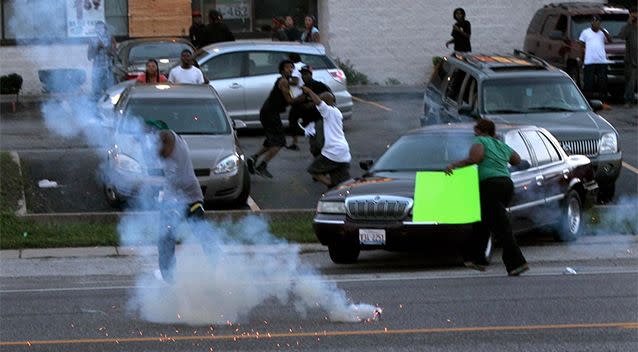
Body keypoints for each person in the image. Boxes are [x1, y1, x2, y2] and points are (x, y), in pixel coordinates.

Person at [445, 119, 529, 276]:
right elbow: (517, 160)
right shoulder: (500, 144)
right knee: (482, 221)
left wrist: (454, 165)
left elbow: (475, 159)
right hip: (506, 185)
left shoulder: (480, 140)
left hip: (490, 186)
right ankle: (476, 259)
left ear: (480, 131)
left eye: (475, 130)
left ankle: (517, 263)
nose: (473, 133)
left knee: (502, 226)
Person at [145, 120, 205, 283]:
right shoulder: (177, 140)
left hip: (180, 201)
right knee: (202, 234)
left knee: (165, 240)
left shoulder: (169, 152)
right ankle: (218, 266)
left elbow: (171, 183)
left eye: (155, 138)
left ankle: (169, 278)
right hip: (189, 198)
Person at [246, 60, 295, 178]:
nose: (290, 69)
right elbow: (289, 100)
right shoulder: (283, 81)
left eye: (291, 67)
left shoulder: (285, 81)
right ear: (282, 70)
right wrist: (303, 98)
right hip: (270, 114)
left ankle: (253, 158)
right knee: (279, 142)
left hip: (269, 113)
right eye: (287, 67)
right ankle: (262, 165)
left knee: (271, 141)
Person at [301, 85, 351, 188]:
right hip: (342, 151)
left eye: (322, 100)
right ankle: (340, 189)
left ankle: (332, 187)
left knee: (313, 170)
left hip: (333, 151)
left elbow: (318, 102)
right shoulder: (336, 112)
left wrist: (309, 91)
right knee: (342, 182)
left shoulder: (329, 112)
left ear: (327, 102)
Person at [299, 65, 332, 157]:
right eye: (302, 74)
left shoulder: (319, 85)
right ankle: (318, 161)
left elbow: (330, 98)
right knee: (313, 147)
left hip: (319, 118)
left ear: (310, 74)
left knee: (320, 143)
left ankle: (324, 163)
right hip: (309, 121)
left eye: (306, 74)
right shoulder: (302, 88)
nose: (304, 76)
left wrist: (314, 103)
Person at [578, 15, 613, 103]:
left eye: (597, 21)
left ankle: (603, 102)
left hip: (602, 61)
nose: (595, 23)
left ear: (600, 23)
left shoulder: (603, 32)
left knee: (603, 83)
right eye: (594, 21)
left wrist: (603, 31)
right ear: (591, 22)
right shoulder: (585, 32)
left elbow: (610, 40)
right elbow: (581, 46)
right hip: (589, 61)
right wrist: (581, 59)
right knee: (588, 83)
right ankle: (588, 102)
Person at [87, 21, 116, 98]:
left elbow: (114, 54)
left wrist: (104, 47)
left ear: (105, 29)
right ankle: (97, 107)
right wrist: (97, 48)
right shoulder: (92, 39)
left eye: (101, 28)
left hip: (108, 69)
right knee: (96, 91)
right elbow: (89, 57)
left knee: (110, 91)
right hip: (97, 69)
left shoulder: (111, 38)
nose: (100, 30)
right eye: (98, 28)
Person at [286, 53, 306, 150]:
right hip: (305, 96)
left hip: (298, 98)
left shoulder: (295, 68)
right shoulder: (303, 66)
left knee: (292, 120)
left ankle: (295, 142)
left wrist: (285, 81)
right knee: (308, 119)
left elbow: (295, 81)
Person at [620, 8, 637, 107]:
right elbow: (621, 36)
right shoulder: (628, 26)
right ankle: (628, 100)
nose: (635, 16)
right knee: (630, 82)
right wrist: (629, 23)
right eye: (633, 14)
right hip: (631, 60)